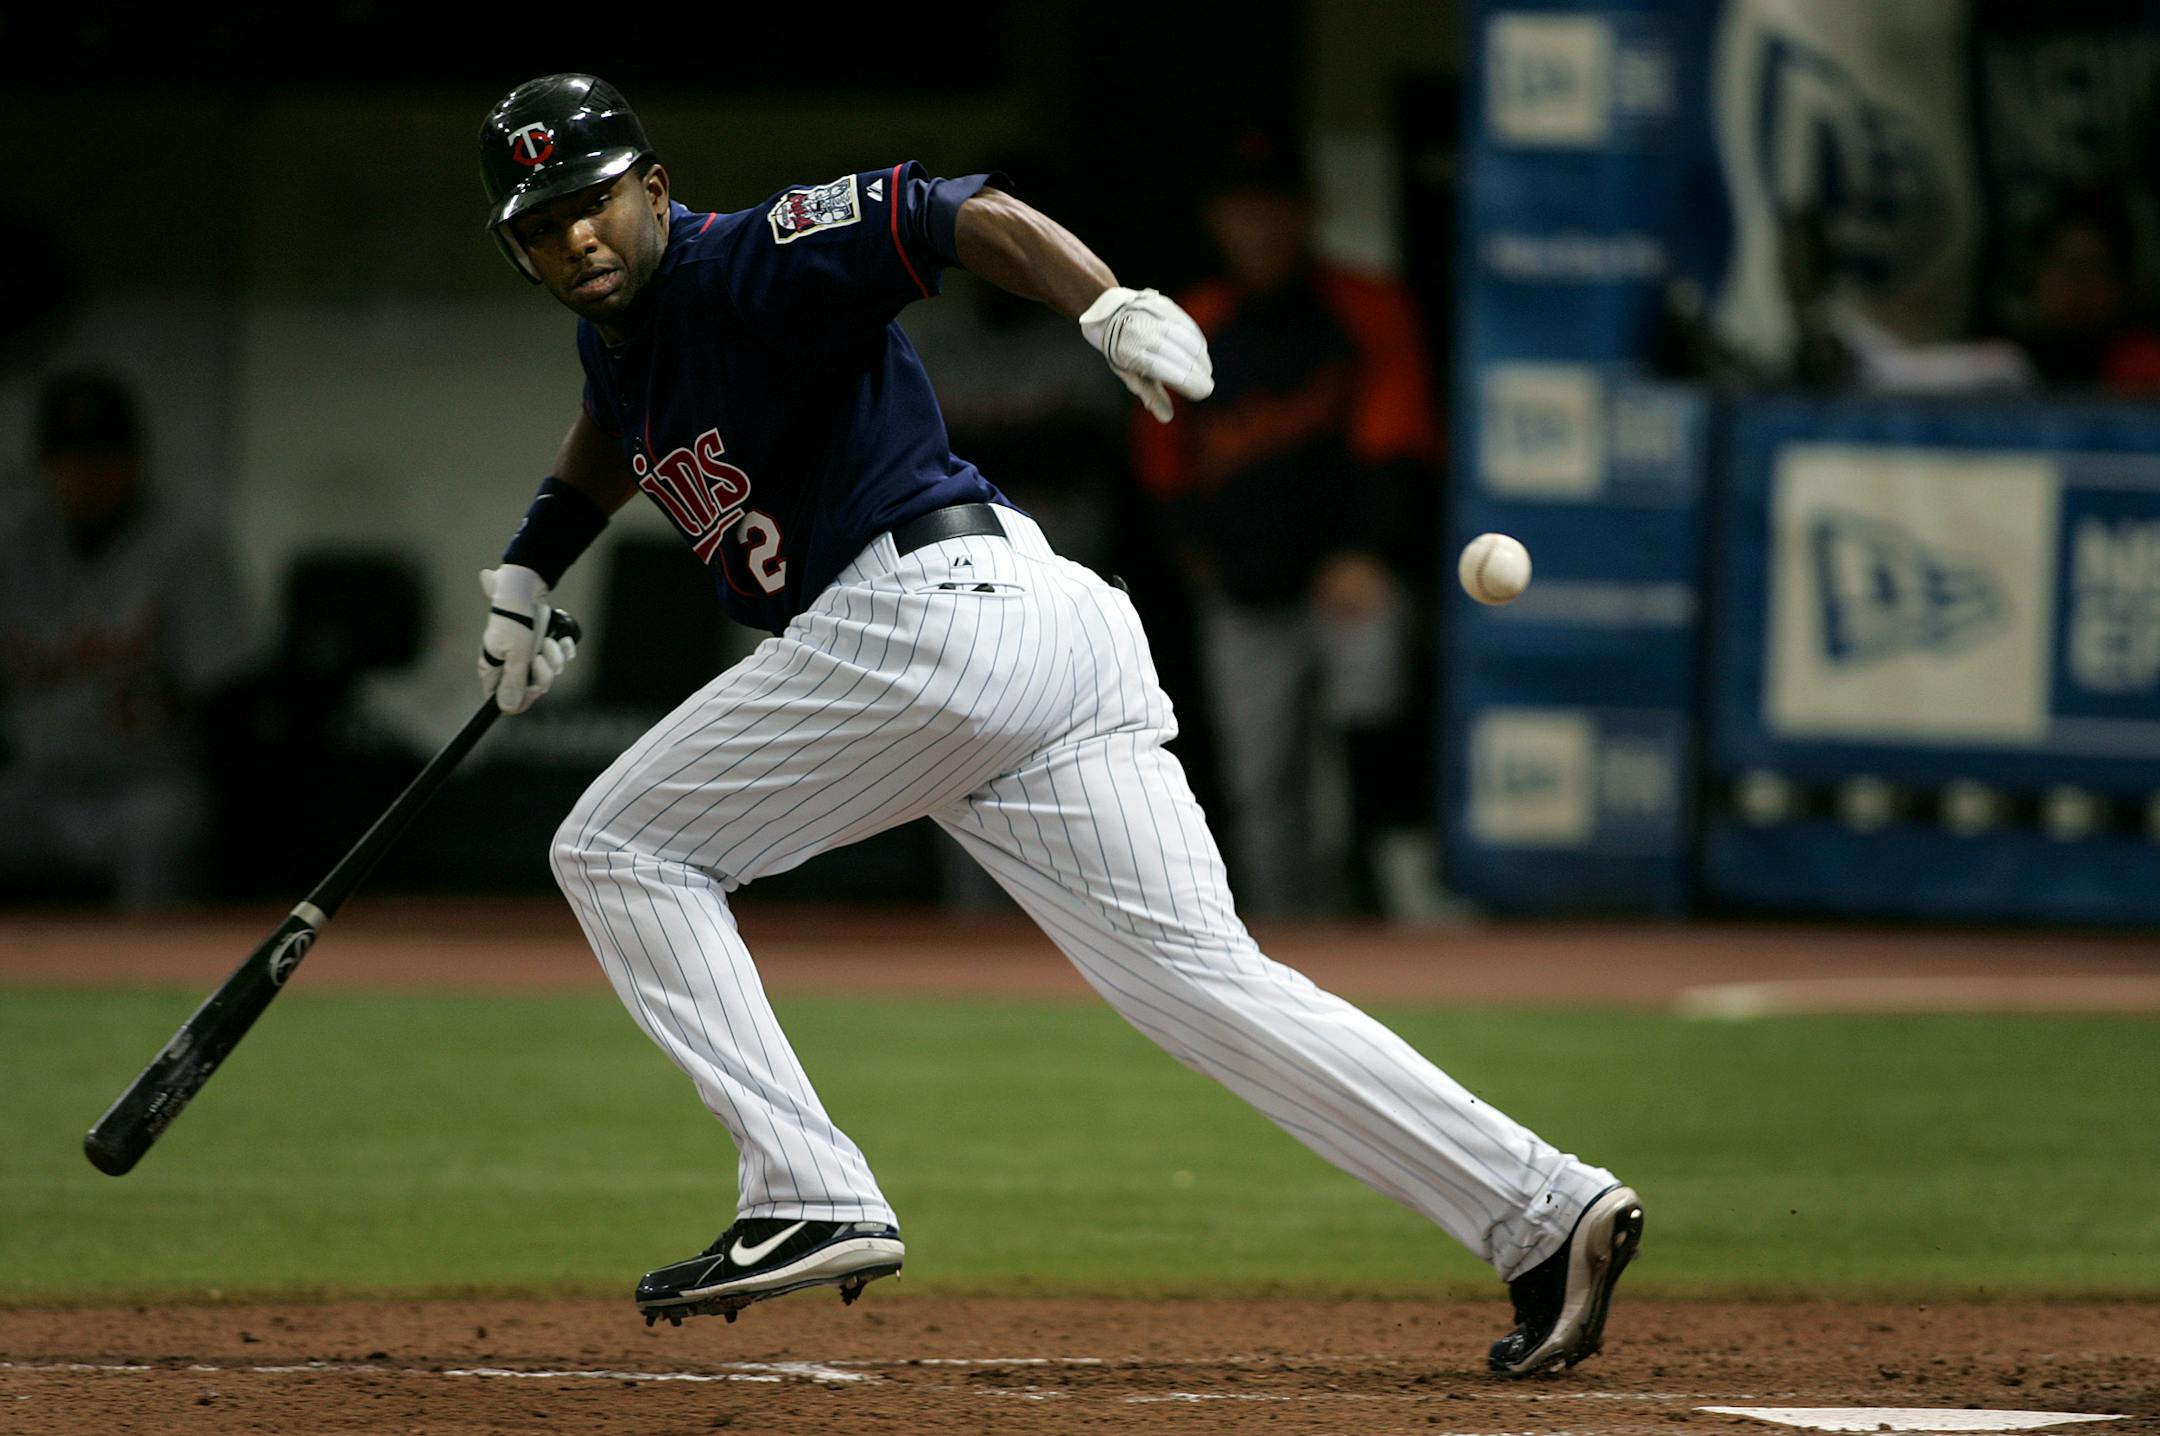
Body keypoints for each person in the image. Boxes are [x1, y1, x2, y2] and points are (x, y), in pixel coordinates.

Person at [471, 73, 1642, 1376]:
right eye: (541, 222)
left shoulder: (750, 250)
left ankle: (805, 1186)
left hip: (930, 614)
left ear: (654, 189)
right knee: (1202, 990)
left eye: (591, 203)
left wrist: (1108, 304)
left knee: (618, 850)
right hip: (1034, 637)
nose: (574, 236)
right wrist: (530, 570)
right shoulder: (618, 342)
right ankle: (1546, 1213)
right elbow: (608, 436)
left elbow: (960, 214)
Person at [1132, 126, 1443, 918]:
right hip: (1245, 588)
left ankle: (1392, 908)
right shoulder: (1189, 321)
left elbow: (1399, 442)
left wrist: (1369, 551)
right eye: (1244, 208)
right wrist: (1198, 563)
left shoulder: (1365, 306)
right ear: (1218, 220)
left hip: (1347, 575)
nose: (1260, 225)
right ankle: (1282, 936)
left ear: (1309, 211)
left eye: (1275, 206)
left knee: (1371, 720)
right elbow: (1163, 468)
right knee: (1259, 779)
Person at [0, 369, 255, 909]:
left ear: (135, 459)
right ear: (45, 465)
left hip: (146, 787)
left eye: (103, 456)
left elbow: (228, 698)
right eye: (71, 458)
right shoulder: (14, 546)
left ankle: (157, 983)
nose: (87, 473)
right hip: (35, 785)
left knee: (164, 831)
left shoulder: (187, 546)